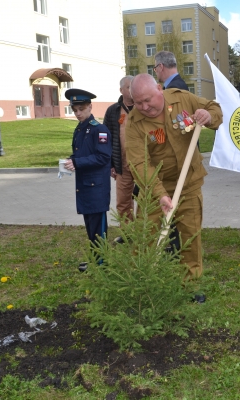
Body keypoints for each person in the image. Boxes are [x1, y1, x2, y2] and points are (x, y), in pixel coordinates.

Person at [125, 74, 222, 294]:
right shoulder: (134, 123)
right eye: (138, 103)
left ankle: (190, 287)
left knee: (191, 236)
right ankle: (141, 286)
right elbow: (139, 163)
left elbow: (215, 109)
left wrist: (208, 115)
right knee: (146, 237)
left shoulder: (182, 100)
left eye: (148, 100)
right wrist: (160, 194)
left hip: (188, 183)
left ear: (159, 88)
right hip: (153, 189)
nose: (144, 107)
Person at [63, 88, 111, 263]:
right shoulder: (80, 129)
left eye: (81, 109)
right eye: (74, 110)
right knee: (91, 228)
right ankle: (95, 260)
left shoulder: (100, 130)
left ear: (90, 107)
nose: (77, 113)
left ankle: (102, 264)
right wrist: (71, 160)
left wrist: (78, 162)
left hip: (97, 188)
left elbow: (103, 157)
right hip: (84, 186)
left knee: (99, 229)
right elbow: (82, 153)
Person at [104, 76, 135, 244]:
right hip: (122, 164)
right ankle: (128, 233)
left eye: (134, 87)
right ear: (121, 90)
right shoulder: (113, 111)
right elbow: (106, 139)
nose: (132, 90)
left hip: (142, 164)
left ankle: (147, 232)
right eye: (129, 87)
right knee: (123, 202)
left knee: (147, 201)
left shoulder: (143, 107)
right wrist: (110, 164)